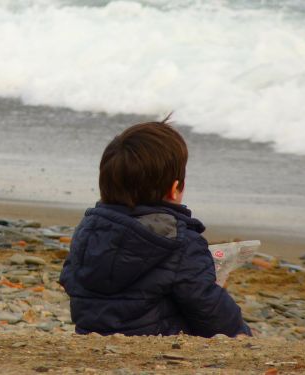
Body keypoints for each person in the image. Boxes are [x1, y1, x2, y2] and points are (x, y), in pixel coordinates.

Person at [59, 117, 251, 338]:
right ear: (174, 189)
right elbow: (210, 309)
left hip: (90, 335)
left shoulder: (89, 229)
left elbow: (70, 278)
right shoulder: (180, 242)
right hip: (158, 340)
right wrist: (243, 333)